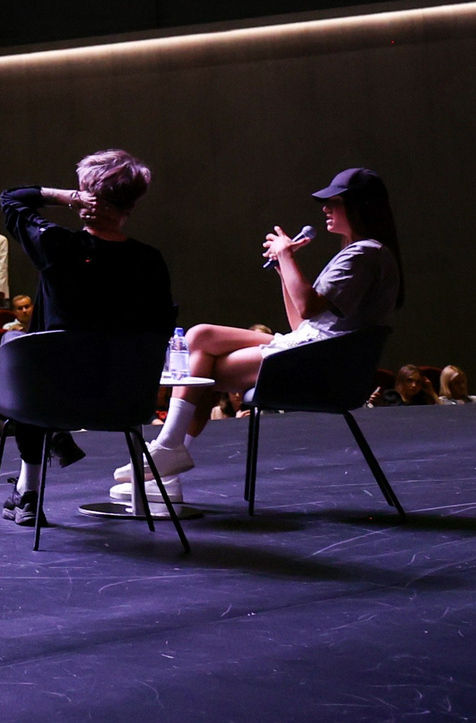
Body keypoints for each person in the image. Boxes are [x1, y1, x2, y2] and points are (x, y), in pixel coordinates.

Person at [132, 167, 404, 492]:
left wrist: (287, 255)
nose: (325, 208)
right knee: (201, 336)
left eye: (335, 201)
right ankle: (169, 456)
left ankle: (168, 458)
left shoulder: (364, 254)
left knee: (203, 369)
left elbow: (308, 308)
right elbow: (302, 323)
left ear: (360, 206)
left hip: (320, 361)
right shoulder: (362, 253)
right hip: (312, 346)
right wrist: (282, 268)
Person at [0, 150, 176, 524]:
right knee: (37, 355)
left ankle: (30, 492)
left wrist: (67, 197)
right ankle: (32, 480)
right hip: (126, 400)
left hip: (55, 399)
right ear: (132, 205)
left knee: (18, 353)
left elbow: (10, 198)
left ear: (87, 197)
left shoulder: (56, 246)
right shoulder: (151, 261)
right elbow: (160, 327)